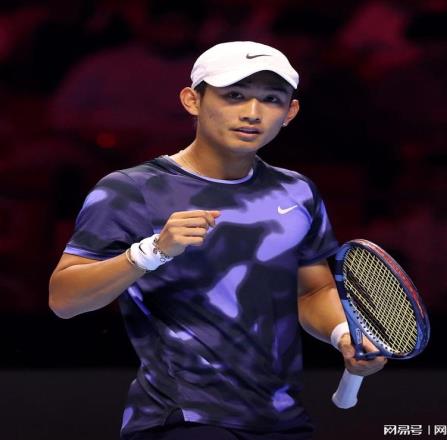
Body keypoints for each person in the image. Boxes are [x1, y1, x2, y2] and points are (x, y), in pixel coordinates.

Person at [49, 41, 386, 440]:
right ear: (192, 100)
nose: (252, 112)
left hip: (281, 419)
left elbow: (312, 292)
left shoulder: (298, 192)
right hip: (180, 418)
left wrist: (343, 335)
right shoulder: (130, 190)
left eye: (272, 99)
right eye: (234, 96)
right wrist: (151, 252)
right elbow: (64, 300)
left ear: (290, 112)